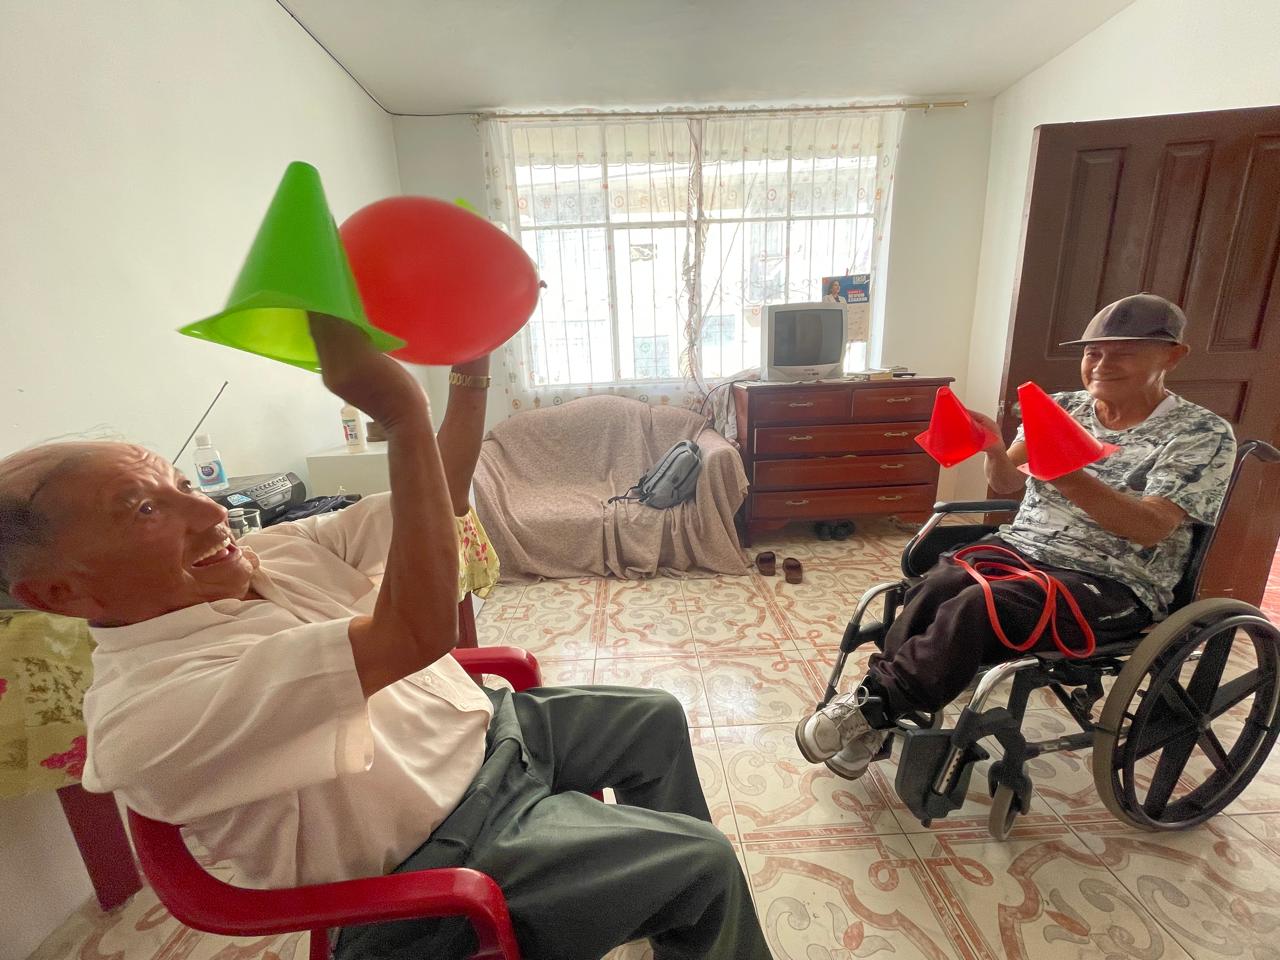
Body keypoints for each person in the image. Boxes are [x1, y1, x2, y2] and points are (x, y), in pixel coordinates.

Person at [0, 315, 771, 960]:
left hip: (483, 740)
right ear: (60, 593)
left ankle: (671, 920)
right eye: (144, 510)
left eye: (181, 486)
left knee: (653, 718)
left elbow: (438, 496)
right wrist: (400, 415)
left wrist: (470, 371)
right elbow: (417, 632)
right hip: (442, 857)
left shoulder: (267, 556)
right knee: (703, 866)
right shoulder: (153, 713)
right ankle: (682, 901)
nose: (210, 513)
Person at [795, 294, 1237, 779]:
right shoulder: (1062, 408)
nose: (1102, 365)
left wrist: (1066, 473)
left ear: (1173, 356)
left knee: (977, 606)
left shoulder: (1200, 433)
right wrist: (993, 448)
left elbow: (1150, 527)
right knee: (936, 585)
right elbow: (1007, 481)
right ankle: (877, 709)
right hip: (1021, 548)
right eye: (1093, 352)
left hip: (1112, 580)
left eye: (1124, 352)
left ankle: (874, 710)